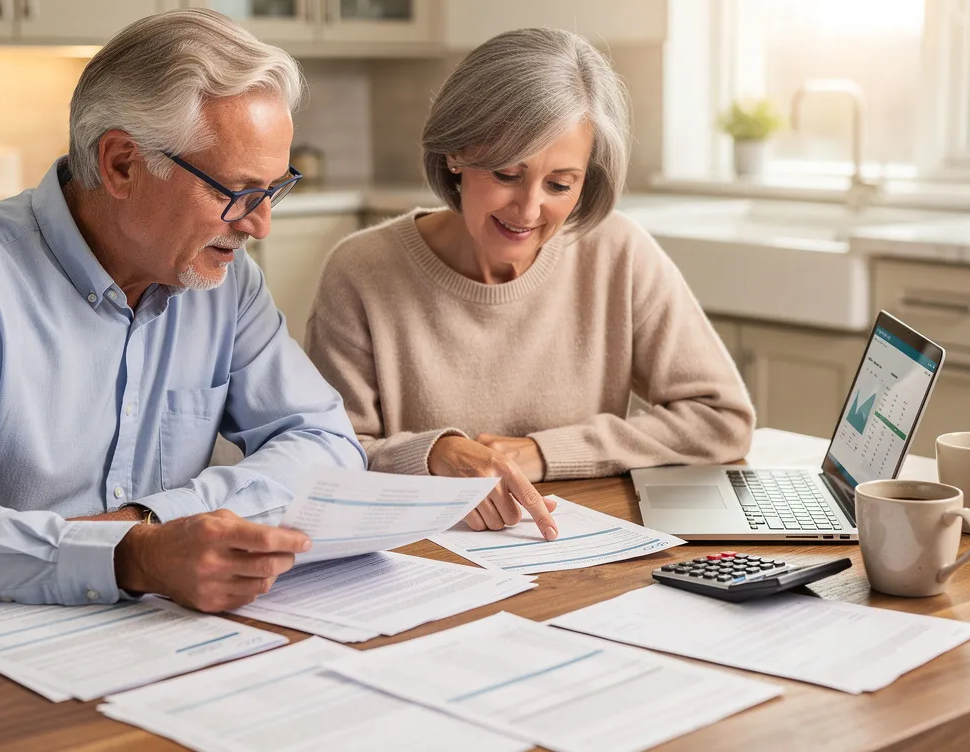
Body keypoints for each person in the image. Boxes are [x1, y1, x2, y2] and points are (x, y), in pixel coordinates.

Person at [0, 9, 365, 616]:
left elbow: (326, 444)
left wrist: (147, 522)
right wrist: (131, 553)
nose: (260, 224)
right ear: (122, 164)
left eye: (274, 189)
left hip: (92, 624)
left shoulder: (226, 283)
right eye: (236, 192)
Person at [306, 28, 754, 540]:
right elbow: (324, 453)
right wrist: (432, 455)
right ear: (456, 154)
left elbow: (721, 418)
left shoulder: (617, 252)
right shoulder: (361, 270)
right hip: (421, 561)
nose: (529, 210)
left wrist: (545, 452)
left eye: (561, 184)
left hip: (574, 551)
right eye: (505, 174)